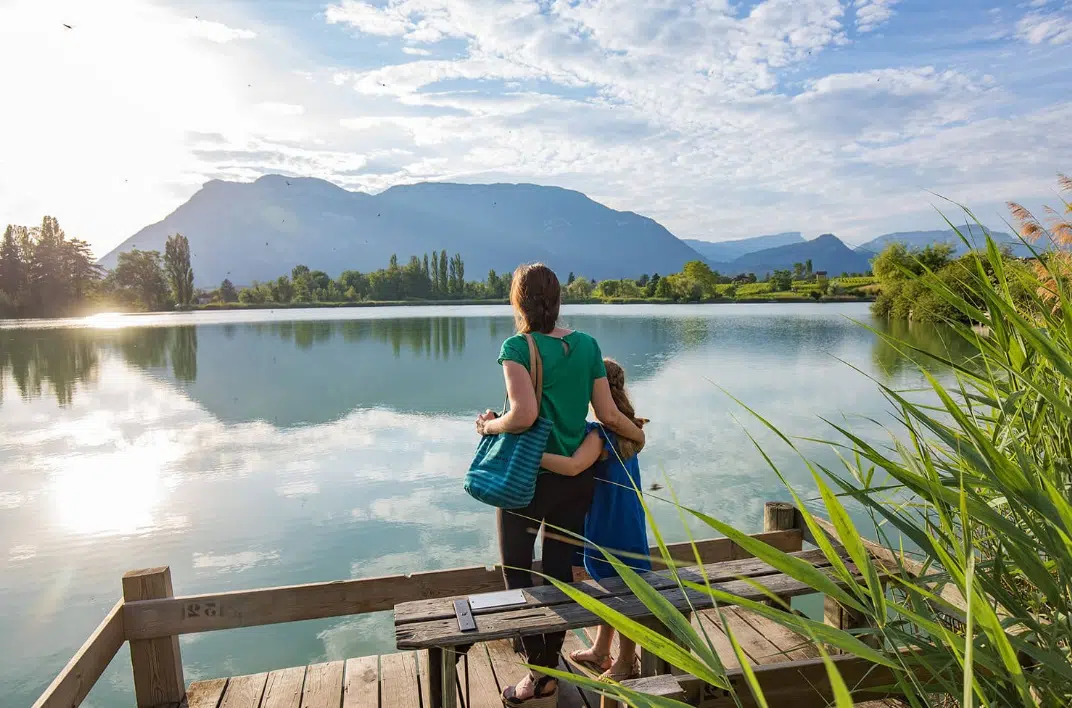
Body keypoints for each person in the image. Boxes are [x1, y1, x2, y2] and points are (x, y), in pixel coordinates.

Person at [476, 264, 646, 707]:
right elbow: (608, 415)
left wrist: (490, 427)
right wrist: (637, 434)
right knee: (558, 575)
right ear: (559, 299)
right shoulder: (587, 345)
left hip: (527, 481)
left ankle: (539, 676)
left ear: (518, 301)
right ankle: (546, 669)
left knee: (518, 573)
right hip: (576, 483)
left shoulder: (516, 346)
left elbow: (525, 416)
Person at [539, 358, 651, 683]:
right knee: (616, 584)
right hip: (629, 518)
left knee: (621, 590)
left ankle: (628, 661)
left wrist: (531, 455)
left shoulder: (599, 435)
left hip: (607, 523)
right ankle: (602, 649)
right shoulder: (631, 428)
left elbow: (574, 466)